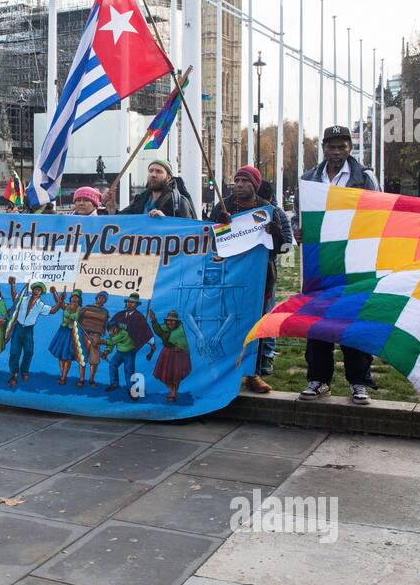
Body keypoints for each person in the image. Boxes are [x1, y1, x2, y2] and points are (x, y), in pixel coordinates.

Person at [297, 126, 380, 405]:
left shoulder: (365, 179)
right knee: (318, 321)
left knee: (352, 321)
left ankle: (358, 381)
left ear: (349, 149)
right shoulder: (309, 179)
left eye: (342, 147)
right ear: (323, 147)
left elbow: (377, 217)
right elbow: (303, 218)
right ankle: (319, 379)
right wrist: (300, 232)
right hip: (319, 263)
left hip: (353, 261)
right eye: (331, 147)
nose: (336, 152)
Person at [210, 165, 292, 392]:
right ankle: (224, 373)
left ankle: (252, 373)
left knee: (256, 326)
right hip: (228, 276)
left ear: (254, 185)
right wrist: (219, 224)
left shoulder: (268, 210)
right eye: (236, 181)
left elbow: (284, 248)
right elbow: (207, 240)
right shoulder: (222, 206)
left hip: (260, 279)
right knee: (226, 323)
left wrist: (273, 232)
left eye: (245, 181)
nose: (239, 185)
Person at [102, 158, 196, 217]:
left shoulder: (179, 202)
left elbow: (188, 231)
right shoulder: (139, 200)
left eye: (159, 171)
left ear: (168, 177)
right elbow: (124, 221)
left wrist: (166, 221)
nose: (153, 174)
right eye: (151, 171)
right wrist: (112, 209)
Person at [5, 278, 47, 387]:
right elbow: (15, 297)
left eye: (39, 290)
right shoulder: (24, 299)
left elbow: (52, 311)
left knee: (28, 352)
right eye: (35, 289)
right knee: (14, 352)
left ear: (41, 292)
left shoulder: (41, 305)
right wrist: (12, 285)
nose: (36, 291)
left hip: (28, 330)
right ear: (32, 290)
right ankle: (13, 374)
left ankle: (24, 371)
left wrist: (60, 302)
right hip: (18, 328)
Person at [148, 306, 191, 402]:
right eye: (168, 320)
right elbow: (159, 331)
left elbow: (182, 344)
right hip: (167, 353)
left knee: (175, 375)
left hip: (177, 355)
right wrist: (153, 319)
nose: (170, 322)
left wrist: (179, 348)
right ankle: (172, 392)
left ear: (176, 322)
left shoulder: (179, 331)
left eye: (172, 321)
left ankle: (173, 394)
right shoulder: (165, 328)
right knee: (165, 374)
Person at [46, 288, 84, 385]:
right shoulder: (66, 306)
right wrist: (54, 292)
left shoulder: (80, 309)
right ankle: (63, 374)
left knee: (67, 356)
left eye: (76, 298)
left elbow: (75, 318)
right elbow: (59, 302)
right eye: (73, 297)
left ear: (79, 299)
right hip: (62, 332)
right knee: (60, 355)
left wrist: (68, 312)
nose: (74, 299)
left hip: (71, 333)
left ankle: (63, 377)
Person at [77, 291, 111, 388]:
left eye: (104, 298)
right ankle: (82, 379)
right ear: (96, 298)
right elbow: (78, 319)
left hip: (96, 336)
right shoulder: (87, 308)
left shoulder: (105, 312)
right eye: (100, 297)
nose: (102, 299)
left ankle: (91, 379)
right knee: (82, 358)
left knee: (94, 359)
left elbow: (105, 325)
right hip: (84, 334)